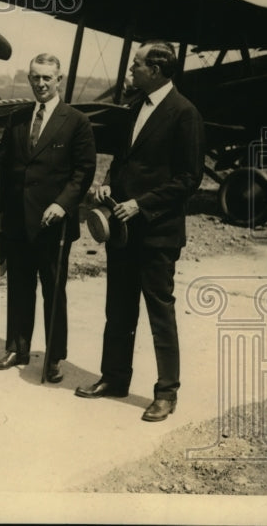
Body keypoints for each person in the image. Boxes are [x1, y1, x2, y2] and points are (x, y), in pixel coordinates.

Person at [74, 42, 204, 422]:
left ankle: (166, 393)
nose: (131, 70)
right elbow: (124, 162)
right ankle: (114, 378)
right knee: (118, 309)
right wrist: (108, 186)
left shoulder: (185, 114)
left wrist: (142, 204)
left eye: (137, 64)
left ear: (158, 70)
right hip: (123, 232)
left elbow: (188, 179)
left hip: (157, 234)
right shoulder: (135, 108)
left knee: (159, 314)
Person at [0, 53, 96, 383]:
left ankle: (53, 357)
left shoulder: (76, 120)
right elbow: (2, 168)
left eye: (48, 78)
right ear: (29, 78)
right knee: (19, 288)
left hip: (54, 225)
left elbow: (84, 171)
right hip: (17, 220)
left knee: (53, 291)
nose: (41, 83)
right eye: (36, 77)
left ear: (59, 80)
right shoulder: (17, 117)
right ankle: (17, 348)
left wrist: (63, 204)